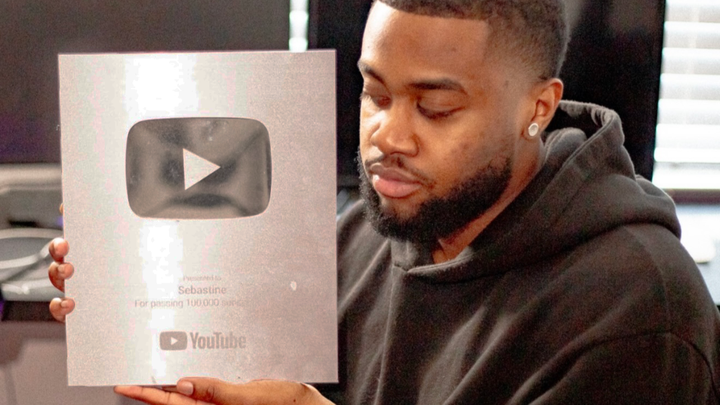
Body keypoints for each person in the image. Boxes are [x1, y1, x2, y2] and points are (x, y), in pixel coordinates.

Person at [50, 0, 720, 403]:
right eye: (375, 94)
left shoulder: (638, 309)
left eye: (436, 108)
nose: (387, 138)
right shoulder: (373, 229)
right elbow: (245, 375)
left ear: (537, 108)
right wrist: (136, 305)